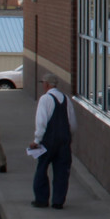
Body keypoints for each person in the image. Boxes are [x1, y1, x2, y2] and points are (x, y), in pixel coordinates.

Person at [30, 77, 73, 210]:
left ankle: (42, 199)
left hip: (48, 141)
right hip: (64, 141)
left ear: (47, 84)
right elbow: (72, 122)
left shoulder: (45, 99)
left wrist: (36, 140)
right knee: (62, 171)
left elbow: (41, 122)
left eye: (43, 83)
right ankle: (58, 201)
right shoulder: (66, 99)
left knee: (42, 168)